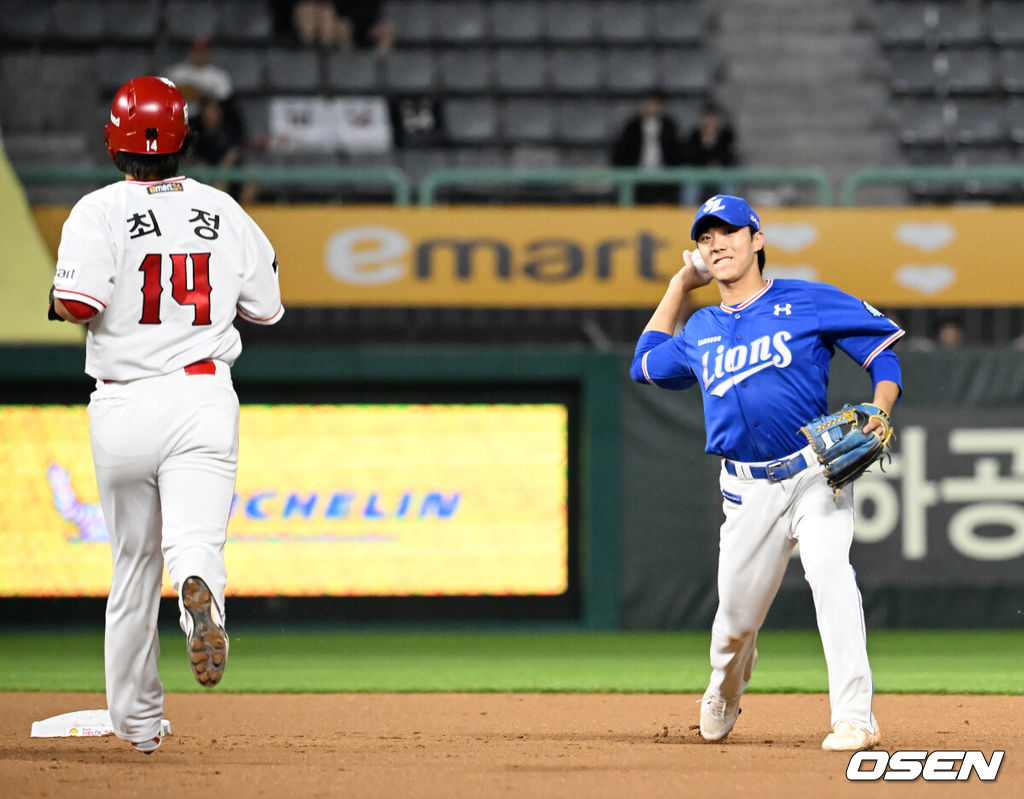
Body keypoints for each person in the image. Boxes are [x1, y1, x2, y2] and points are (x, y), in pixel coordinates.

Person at [48, 76, 284, 754]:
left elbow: (80, 303)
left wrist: (56, 302)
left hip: (122, 399)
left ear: (113, 139)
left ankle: (140, 726)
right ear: (184, 135)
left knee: (130, 569)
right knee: (195, 540)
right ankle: (198, 586)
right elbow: (265, 308)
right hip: (202, 394)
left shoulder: (95, 211)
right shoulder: (223, 209)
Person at [629, 195, 904, 752]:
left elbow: (883, 350)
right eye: (706, 238)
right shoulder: (701, 326)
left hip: (814, 474)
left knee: (832, 575)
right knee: (734, 622)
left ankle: (855, 718)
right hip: (746, 489)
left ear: (757, 240)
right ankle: (725, 687)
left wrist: (880, 406)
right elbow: (644, 365)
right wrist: (680, 288)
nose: (716, 244)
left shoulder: (806, 299)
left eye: (728, 232)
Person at [611, 94, 684, 204]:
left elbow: (676, 151)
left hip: (664, 172)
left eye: (654, 104)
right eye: (648, 104)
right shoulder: (632, 126)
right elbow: (623, 150)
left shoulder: (669, 125)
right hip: (637, 171)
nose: (651, 107)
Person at [680, 101, 738, 206]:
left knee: (729, 182)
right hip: (699, 171)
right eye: (708, 118)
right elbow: (689, 157)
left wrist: (716, 162)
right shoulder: (695, 135)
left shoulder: (726, 134)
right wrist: (705, 144)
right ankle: (688, 211)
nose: (710, 122)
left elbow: (730, 156)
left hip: (720, 171)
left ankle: (731, 210)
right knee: (690, 181)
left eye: (713, 118)